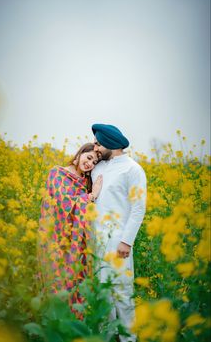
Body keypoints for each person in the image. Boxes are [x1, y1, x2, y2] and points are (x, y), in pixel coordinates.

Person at [91, 124, 147, 342]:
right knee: (102, 294)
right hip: (97, 242)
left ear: (110, 144)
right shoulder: (98, 168)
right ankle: (107, 337)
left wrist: (126, 241)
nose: (95, 147)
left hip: (118, 244)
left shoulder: (133, 169)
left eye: (97, 143)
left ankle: (129, 339)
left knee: (122, 294)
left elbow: (138, 207)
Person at [37, 143, 102, 308]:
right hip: (55, 238)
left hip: (75, 242)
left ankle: (72, 325)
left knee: (74, 281)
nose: (90, 164)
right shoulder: (57, 173)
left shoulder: (85, 181)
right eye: (89, 158)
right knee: (55, 282)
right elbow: (63, 203)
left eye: (94, 163)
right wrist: (92, 195)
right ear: (80, 154)